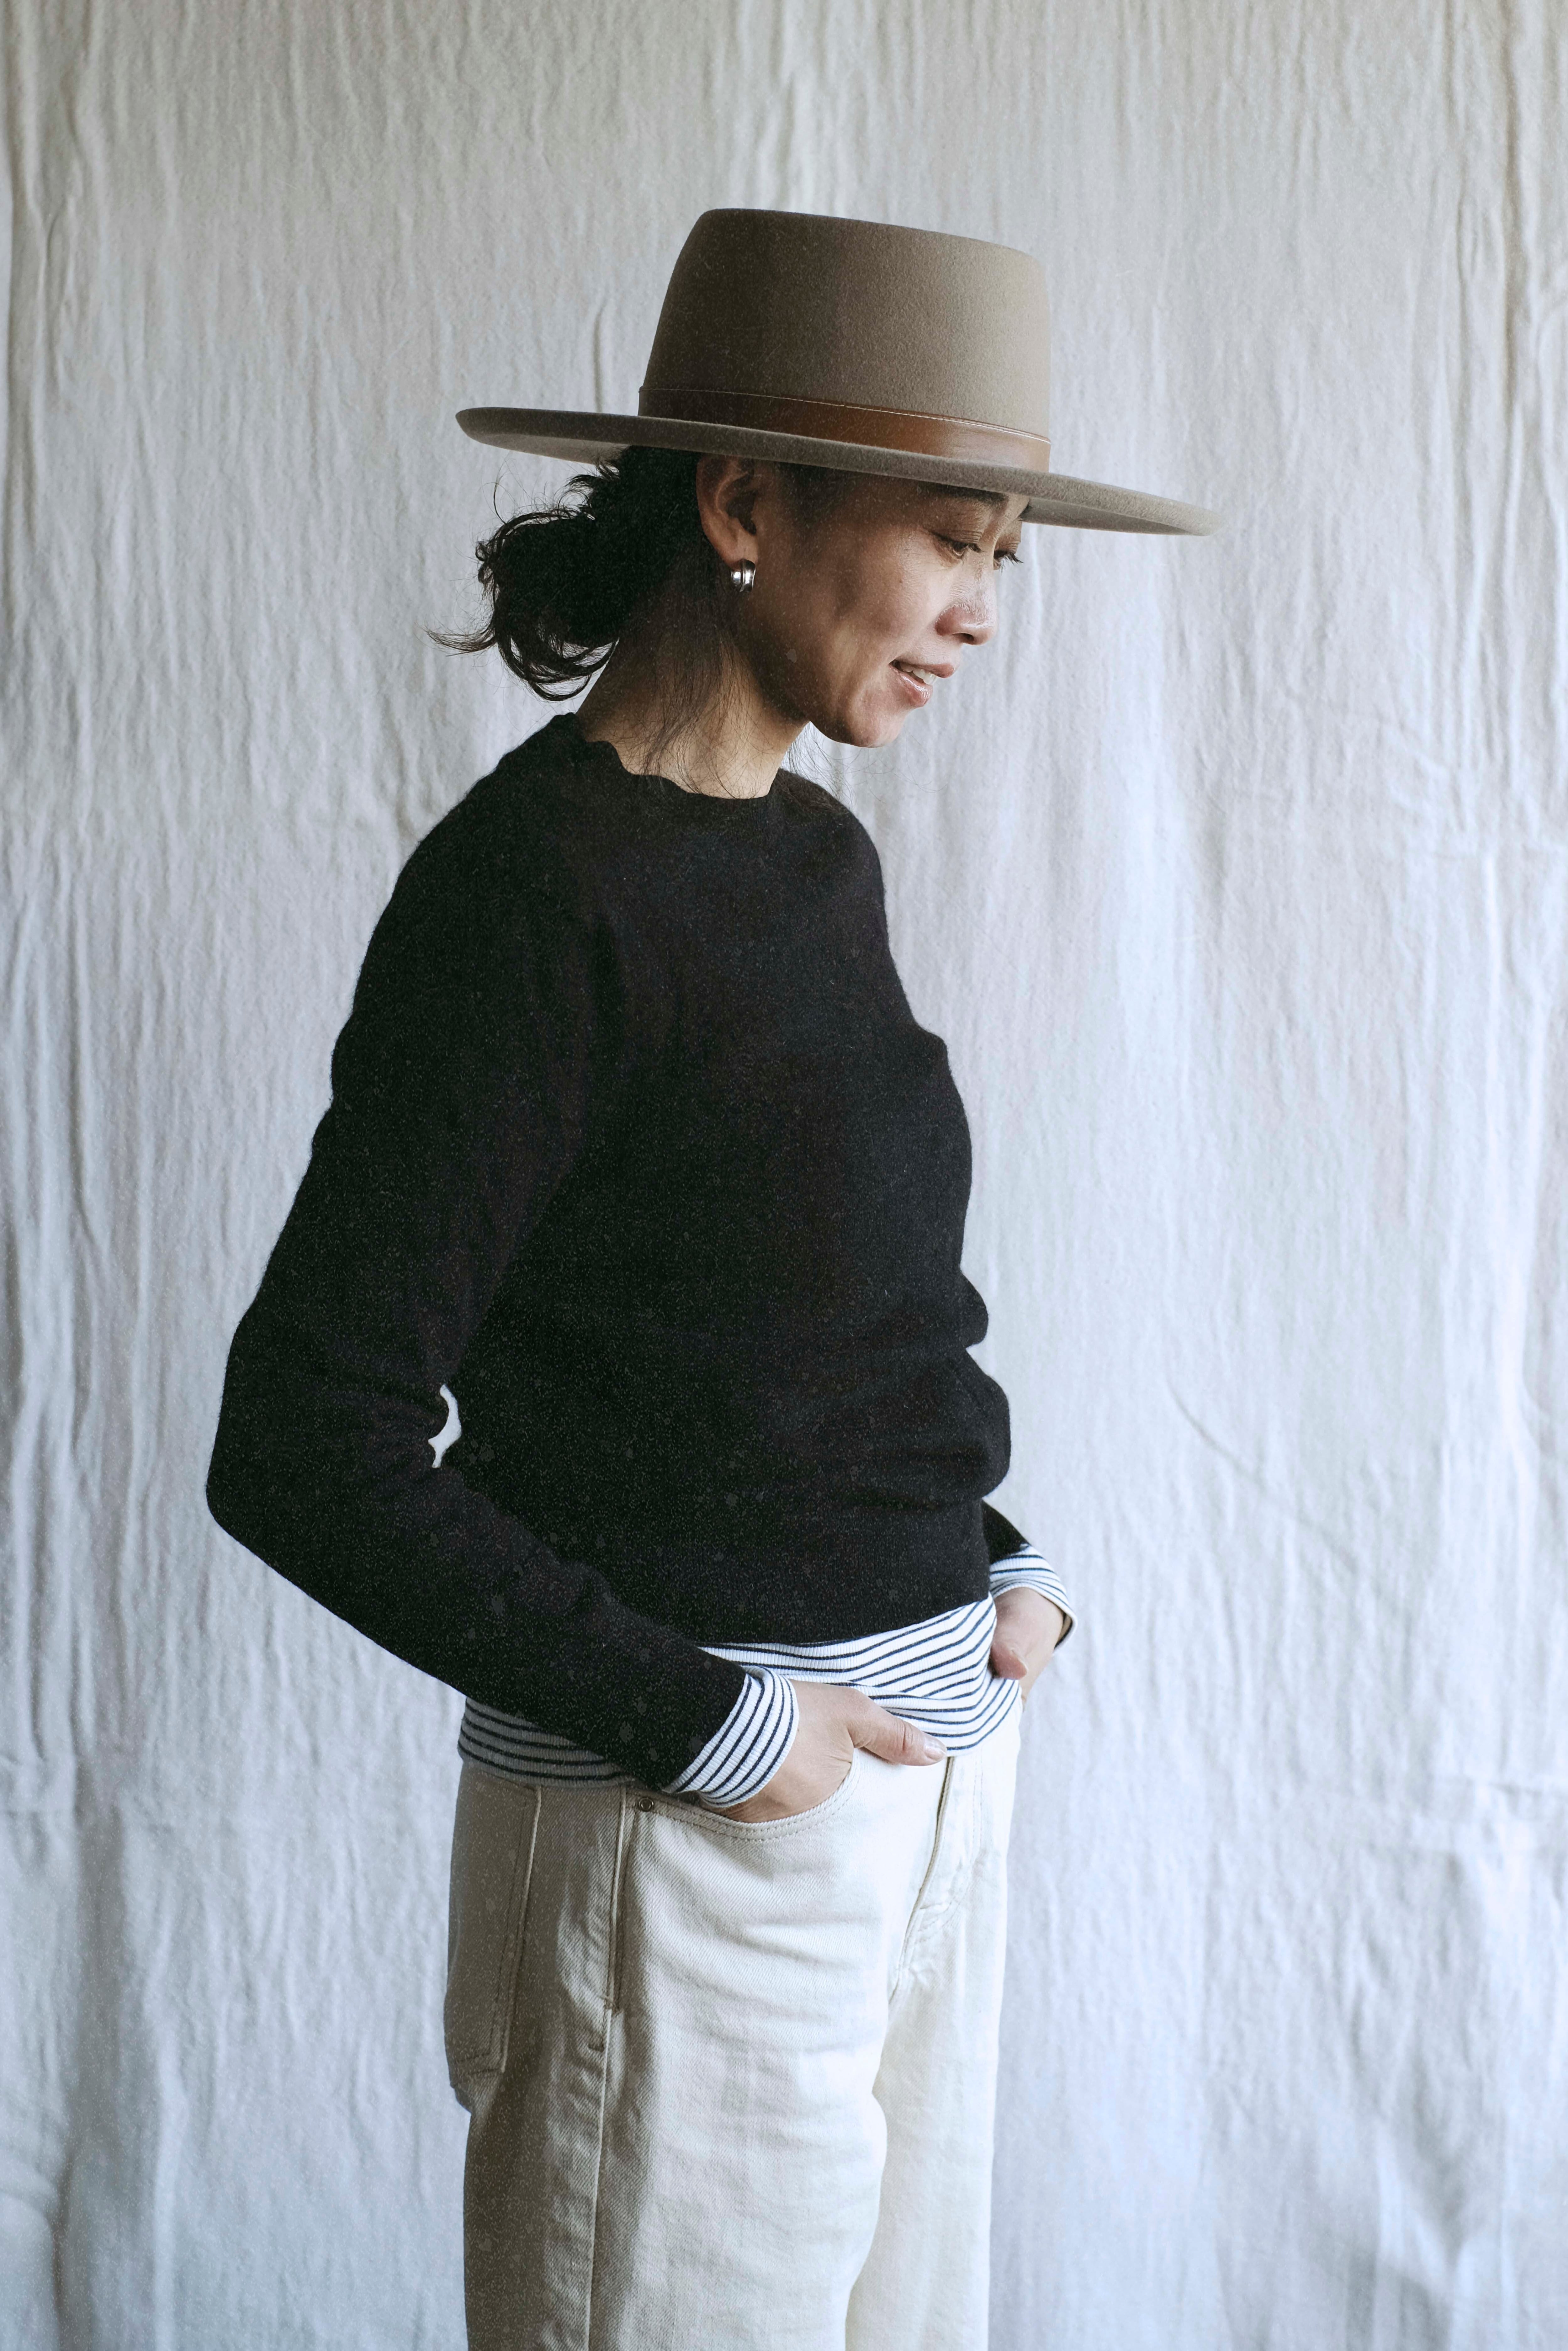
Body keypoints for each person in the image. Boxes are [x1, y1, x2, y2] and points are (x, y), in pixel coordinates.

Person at [206, 207, 1216, 2350]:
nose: (981, 610)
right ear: (743, 507)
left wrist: (986, 1554)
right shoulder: (530, 899)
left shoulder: (810, 853)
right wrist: (719, 1726)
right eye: (947, 538)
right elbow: (302, 1439)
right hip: (688, 1849)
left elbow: (789, 1319)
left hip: (928, 1801)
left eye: (1003, 553)